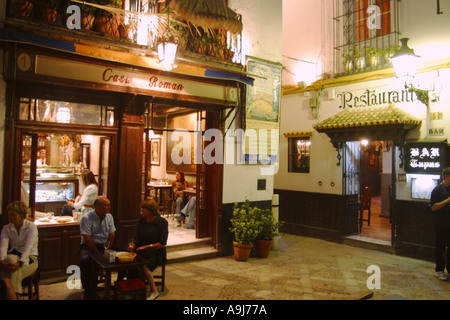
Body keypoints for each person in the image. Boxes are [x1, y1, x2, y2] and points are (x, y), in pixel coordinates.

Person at [129, 199, 168, 300]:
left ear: (151, 210)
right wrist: (133, 245)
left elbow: (162, 243)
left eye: (143, 209)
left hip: (156, 252)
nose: (141, 211)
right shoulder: (142, 221)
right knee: (129, 261)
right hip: (141, 251)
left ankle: (154, 291)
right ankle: (134, 287)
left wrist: (146, 247)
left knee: (144, 265)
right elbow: (136, 237)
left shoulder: (162, 222)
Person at [79, 196, 116, 299]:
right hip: (89, 246)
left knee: (123, 253)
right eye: (107, 205)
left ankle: (119, 285)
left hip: (104, 245)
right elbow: (87, 239)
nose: (109, 207)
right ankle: (88, 289)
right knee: (85, 260)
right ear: (98, 207)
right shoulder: (86, 218)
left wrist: (108, 248)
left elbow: (112, 234)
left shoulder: (109, 217)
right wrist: (99, 254)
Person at [0, 201, 39, 300]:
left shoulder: (31, 227)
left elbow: (28, 248)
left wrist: (19, 264)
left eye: (13, 215)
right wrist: (2, 260)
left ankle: (15, 297)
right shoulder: (7, 228)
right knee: (10, 260)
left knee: (11, 273)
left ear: (21, 215)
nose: (10, 218)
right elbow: (3, 247)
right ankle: (16, 296)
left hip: (30, 258)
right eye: (9, 215)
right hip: (14, 256)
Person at [430, 167, 450, 281]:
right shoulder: (437, 190)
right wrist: (447, 201)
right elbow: (433, 207)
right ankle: (439, 270)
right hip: (441, 223)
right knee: (440, 246)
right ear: (446, 176)